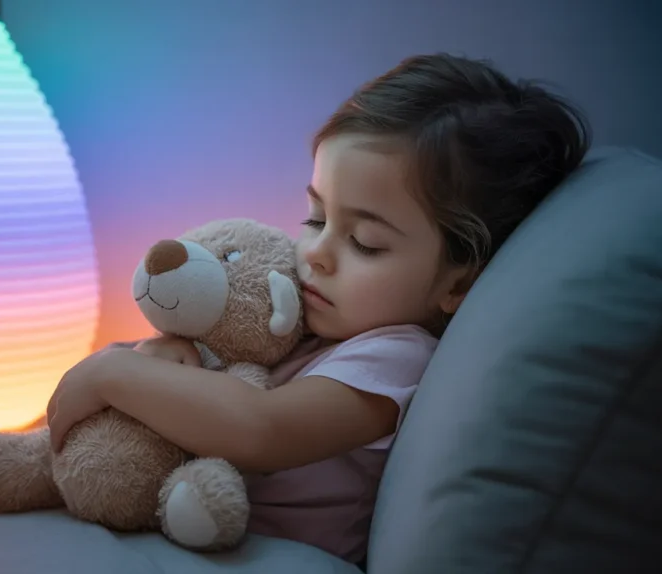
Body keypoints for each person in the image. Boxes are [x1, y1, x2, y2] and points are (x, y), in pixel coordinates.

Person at [46, 52, 591, 564]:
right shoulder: (303, 318)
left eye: (366, 244)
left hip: (254, 545)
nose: (317, 254)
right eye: (315, 218)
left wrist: (116, 373)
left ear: (460, 279)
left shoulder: (395, 356)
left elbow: (264, 429)